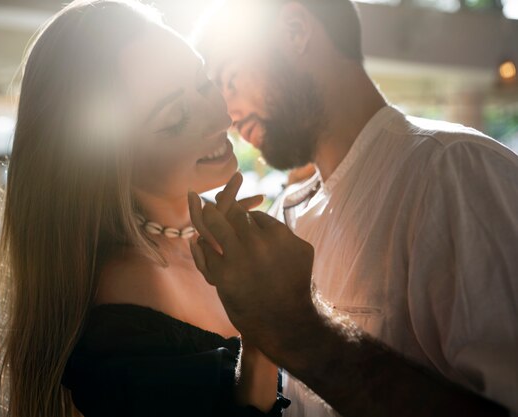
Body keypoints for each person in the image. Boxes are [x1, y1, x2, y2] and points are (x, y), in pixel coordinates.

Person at [189, 1, 518, 416]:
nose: (229, 117)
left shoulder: (455, 171)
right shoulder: (288, 219)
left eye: (232, 80)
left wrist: (299, 328)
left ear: (295, 32)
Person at [0, 1, 294, 416]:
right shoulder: (124, 306)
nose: (219, 116)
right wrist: (262, 328)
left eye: (204, 82)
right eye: (175, 119)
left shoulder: (220, 234)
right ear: (107, 163)